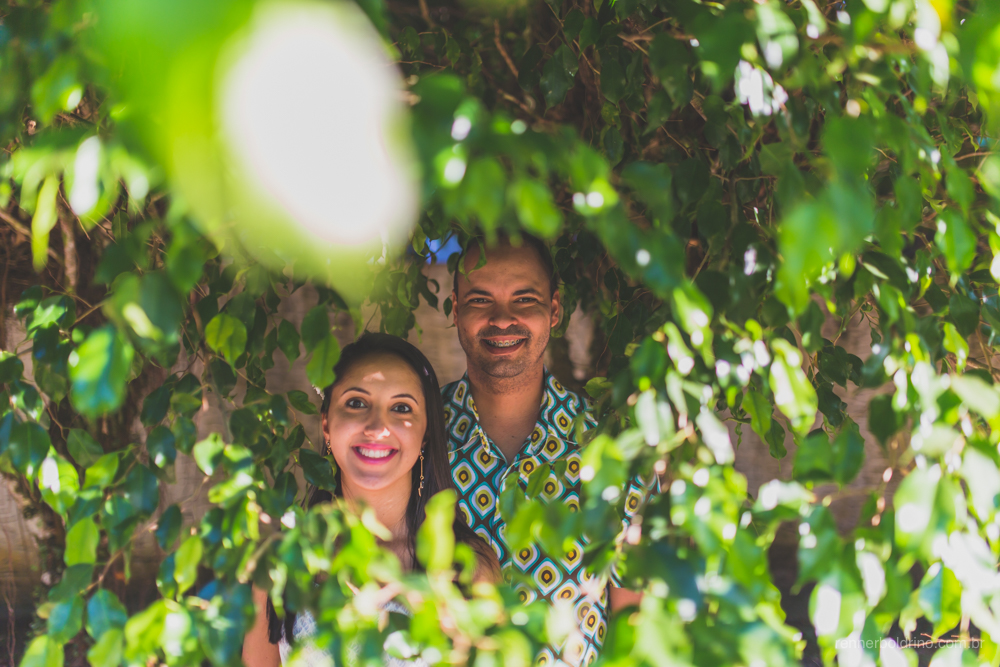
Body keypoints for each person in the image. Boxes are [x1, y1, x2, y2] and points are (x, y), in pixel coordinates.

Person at [442, 234, 652, 666]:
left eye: (524, 299)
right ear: (456, 310)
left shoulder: (613, 449)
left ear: (554, 310)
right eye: (481, 300)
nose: (503, 319)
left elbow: (634, 631)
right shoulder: (414, 440)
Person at [243, 333, 500, 667]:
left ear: (425, 433)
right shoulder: (283, 560)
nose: (377, 427)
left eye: (401, 408)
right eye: (356, 403)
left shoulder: (466, 567)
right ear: (326, 424)